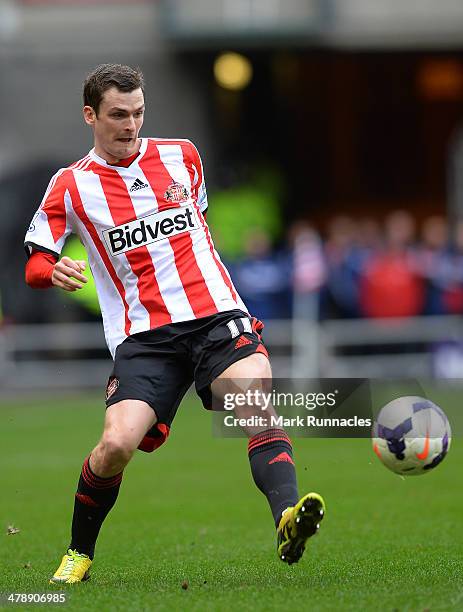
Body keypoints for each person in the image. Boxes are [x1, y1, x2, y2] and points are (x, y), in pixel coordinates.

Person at [24, 64, 325, 584]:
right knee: (116, 446)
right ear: (89, 115)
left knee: (253, 398)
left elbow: (197, 229)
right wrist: (53, 270)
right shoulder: (71, 186)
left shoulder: (182, 155)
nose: (131, 124)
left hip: (214, 315)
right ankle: (79, 553)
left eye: (138, 112)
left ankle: (286, 518)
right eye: (118, 115)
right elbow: (32, 265)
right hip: (145, 337)